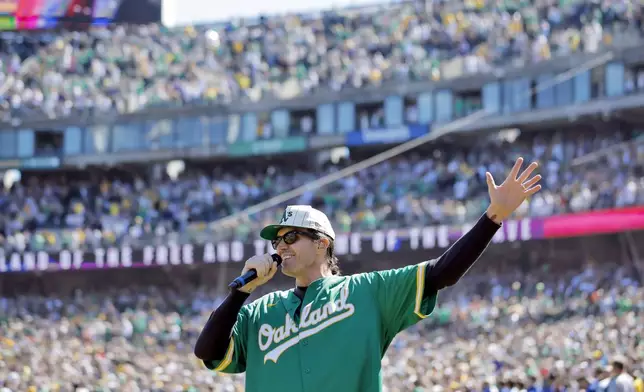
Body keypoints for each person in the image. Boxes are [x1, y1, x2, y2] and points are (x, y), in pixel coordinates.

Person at [194, 157, 542, 392]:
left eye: (290, 237)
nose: (280, 246)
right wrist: (240, 293)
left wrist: (493, 217)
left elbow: (442, 274)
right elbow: (207, 351)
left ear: (321, 244)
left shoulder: (367, 292)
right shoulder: (259, 312)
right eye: (276, 240)